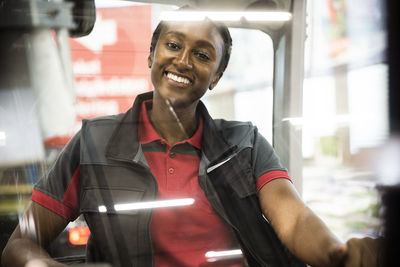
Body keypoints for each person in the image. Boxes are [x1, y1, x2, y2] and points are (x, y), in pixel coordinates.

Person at [2, 13, 381, 267]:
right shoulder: (92, 144)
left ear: (215, 77)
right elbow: (19, 246)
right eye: (172, 45)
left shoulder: (244, 143)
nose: (183, 61)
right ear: (151, 54)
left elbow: (295, 219)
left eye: (202, 55)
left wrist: (337, 253)